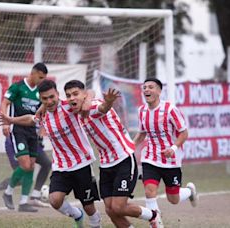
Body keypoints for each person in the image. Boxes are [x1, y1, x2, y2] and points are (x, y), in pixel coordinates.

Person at [0, 79, 101, 228]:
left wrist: (88, 100)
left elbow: (89, 92)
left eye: (52, 97)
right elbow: (31, 119)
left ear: (58, 94)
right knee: (54, 200)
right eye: (45, 98)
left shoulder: (70, 106)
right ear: (40, 99)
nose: (49, 101)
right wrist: (11, 120)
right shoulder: (43, 114)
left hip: (82, 163)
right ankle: (77, 215)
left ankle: (95, 222)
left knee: (89, 206)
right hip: (61, 165)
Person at [64, 80, 162, 228]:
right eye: (68, 95)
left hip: (123, 159)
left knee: (118, 207)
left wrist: (108, 102)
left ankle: (153, 215)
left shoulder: (94, 106)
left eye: (75, 94)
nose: (72, 98)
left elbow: (103, 108)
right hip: (106, 164)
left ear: (84, 94)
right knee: (110, 210)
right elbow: (57, 103)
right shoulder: (76, 112)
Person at [133, 78, 198, 227]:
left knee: (173, 199)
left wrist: (173, 148)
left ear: (159, 91)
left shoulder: (170, 109)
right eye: (144, 87)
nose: (147, 90)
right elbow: (141, 134)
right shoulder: (141, 111)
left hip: (171, 160)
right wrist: (129, 146)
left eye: (151, 87)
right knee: (150, 191)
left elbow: (184, 133)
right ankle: (156, 222)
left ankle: (189, 191)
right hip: (150, 157)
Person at [0, 62, 48, 212]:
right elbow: (5, 102)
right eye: (40, 77)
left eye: (43, 78)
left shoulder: (40, 92)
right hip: (18, 130)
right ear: (33, 72)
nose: (41, 81)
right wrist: (6, 123)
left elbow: (43, 112)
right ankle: (7, 192)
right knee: (25, 165)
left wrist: (42, 129)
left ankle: (23, 202)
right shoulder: (17, 87)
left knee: (32, 166)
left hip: (32, 131)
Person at [0, 135, 51, 208]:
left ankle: (35, 196)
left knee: (46, 163)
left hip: (32, 141)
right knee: (22, 177)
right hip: (17, 140)